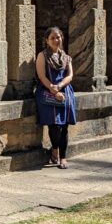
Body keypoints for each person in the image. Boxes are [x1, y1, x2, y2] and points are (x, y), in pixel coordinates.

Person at [34, 26, 77, 169]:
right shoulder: (42, 56)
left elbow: (70, 75)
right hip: (47, 91)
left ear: (61, 38)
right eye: (52, 38)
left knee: (64, 126)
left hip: (64, 92)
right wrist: (53, 90)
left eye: (58, 37)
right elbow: (42, 76)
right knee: (54, 125)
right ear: (47, 40)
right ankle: (54, 148)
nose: (55, 40)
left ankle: (63, 157)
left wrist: (59, 86)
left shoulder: (66, 57)